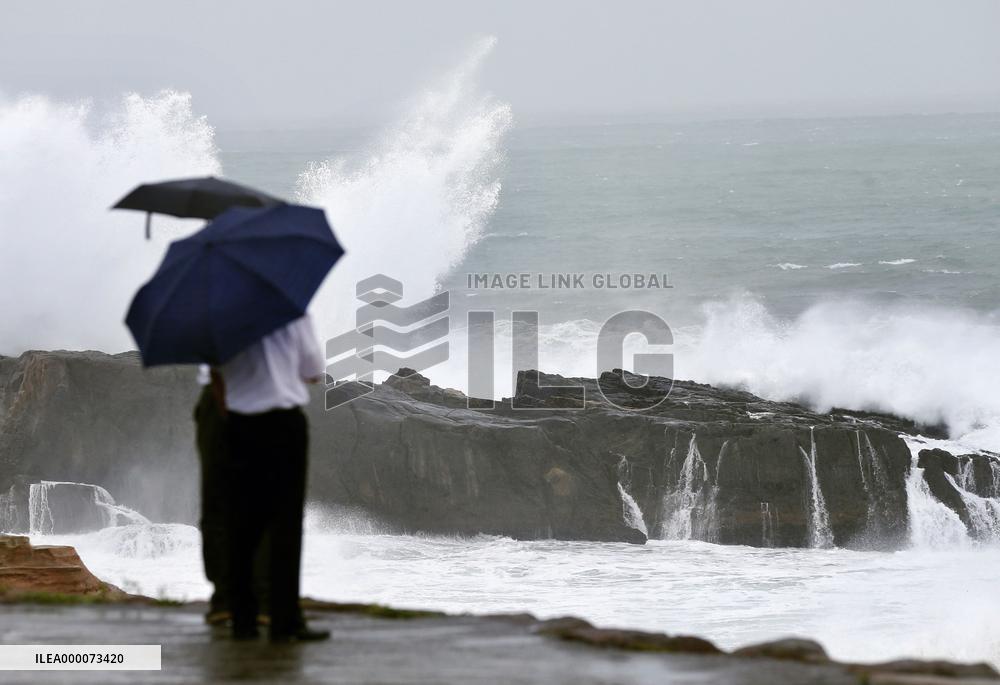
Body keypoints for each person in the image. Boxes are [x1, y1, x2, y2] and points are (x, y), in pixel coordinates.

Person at [218, 313, 329, 642]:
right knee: (285, 524)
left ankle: (243, 621)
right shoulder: (292, 311)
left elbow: (212, 373)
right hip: (282, 425)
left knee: (241, 523)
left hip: (238, 424)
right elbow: (313, 371)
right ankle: (283, 622)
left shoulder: (222, 316)